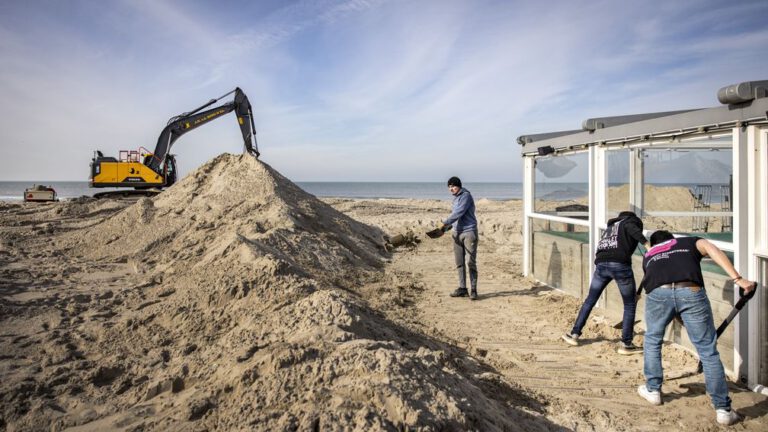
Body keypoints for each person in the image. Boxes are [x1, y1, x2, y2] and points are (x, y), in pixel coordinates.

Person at [637, 230, 755, 426]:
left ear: (654, 243)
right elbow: (711, 249)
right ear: (673, 240)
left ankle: (653, 390)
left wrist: (677, 313)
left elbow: (662, 282)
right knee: (707, 350)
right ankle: (723, 410)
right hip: (690, 289)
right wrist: (738, 279)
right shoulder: (689, 241)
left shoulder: (649, 255)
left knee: (652, 340)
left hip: (658, 293)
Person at [562, 211, 649, 355]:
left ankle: (574, 334)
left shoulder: (610, 228)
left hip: (601, 266)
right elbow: (634, 230)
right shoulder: (629, 222)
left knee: (590, 300)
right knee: (629, 304)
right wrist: (648, 245)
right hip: (620, 266)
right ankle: (626, 343)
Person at [439, 176, 478, 300]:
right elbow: (456, 218)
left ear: (459, 186)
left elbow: (459, 213)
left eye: (453, 186)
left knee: (470, 262)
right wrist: (446, 228)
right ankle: (462, 289)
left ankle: (473, 290)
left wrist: (445, 222)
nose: (451, 189)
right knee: (459, 263)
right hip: (456, 233)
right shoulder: (455, 199)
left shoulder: (466, 196)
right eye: (449, 187)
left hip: (469, 232)